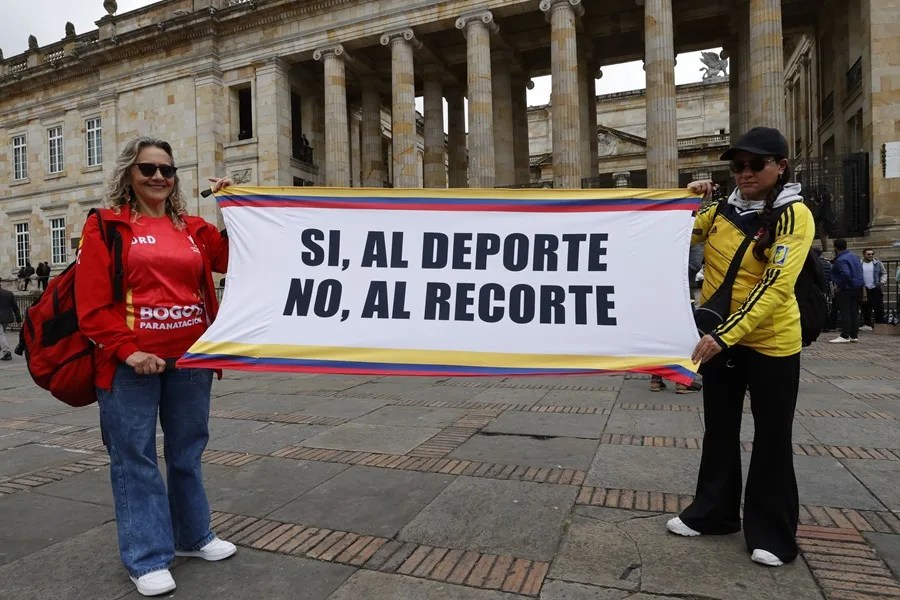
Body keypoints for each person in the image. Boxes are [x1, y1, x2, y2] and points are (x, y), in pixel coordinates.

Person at [75, 137, 233, 597]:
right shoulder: (106, 226)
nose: (158, 177)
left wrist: (234, 204)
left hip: (190, 357)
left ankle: (193, 536)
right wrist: (127, 350)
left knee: (187, 450)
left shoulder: (194, 230)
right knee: (135, 457)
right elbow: (92, 303)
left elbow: (235, 256)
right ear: (129, 173)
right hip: (130, 364)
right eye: (148, 169)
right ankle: (146, 557)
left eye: (167, 169)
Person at [666, 127, 814, 568]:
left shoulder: (794, 216)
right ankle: (714, 513)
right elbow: (673, 239)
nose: (746, 173)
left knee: (772, 436)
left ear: (781, 166)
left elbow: (775, 286)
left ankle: (772, 532)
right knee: (720, 429)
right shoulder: (719, 211)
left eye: (757, 164)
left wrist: (724, 335)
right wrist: (686, 200)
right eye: (738, 166)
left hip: (770, 343)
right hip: (721, 340)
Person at [829, 239, 863, 343]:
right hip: (856, 287)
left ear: (835, 247)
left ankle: (845, 335)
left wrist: (839, 285)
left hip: (846, 288)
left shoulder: (841, 260)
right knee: (853, 311)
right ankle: (853, 335)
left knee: (845, 312)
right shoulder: (854, 256)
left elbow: (845, 274)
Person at [858, 248, 886, 330]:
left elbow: (883, 273)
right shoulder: (860, 263)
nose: (871, 256)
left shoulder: (877, 263)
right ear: (864, 255)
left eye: (872, 254)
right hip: (864, 287)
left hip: (875, 286)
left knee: (878, 306)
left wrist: (882, 281)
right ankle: (867, 324)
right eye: (868, 254)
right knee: (865, 306)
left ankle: (879, 323)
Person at [0, 286, 22, 360]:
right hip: (7, 317)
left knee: (0, 334)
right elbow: (15, 307)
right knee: (1, 333)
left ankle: (7, 352)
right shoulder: (8, 293)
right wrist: (18, 319)